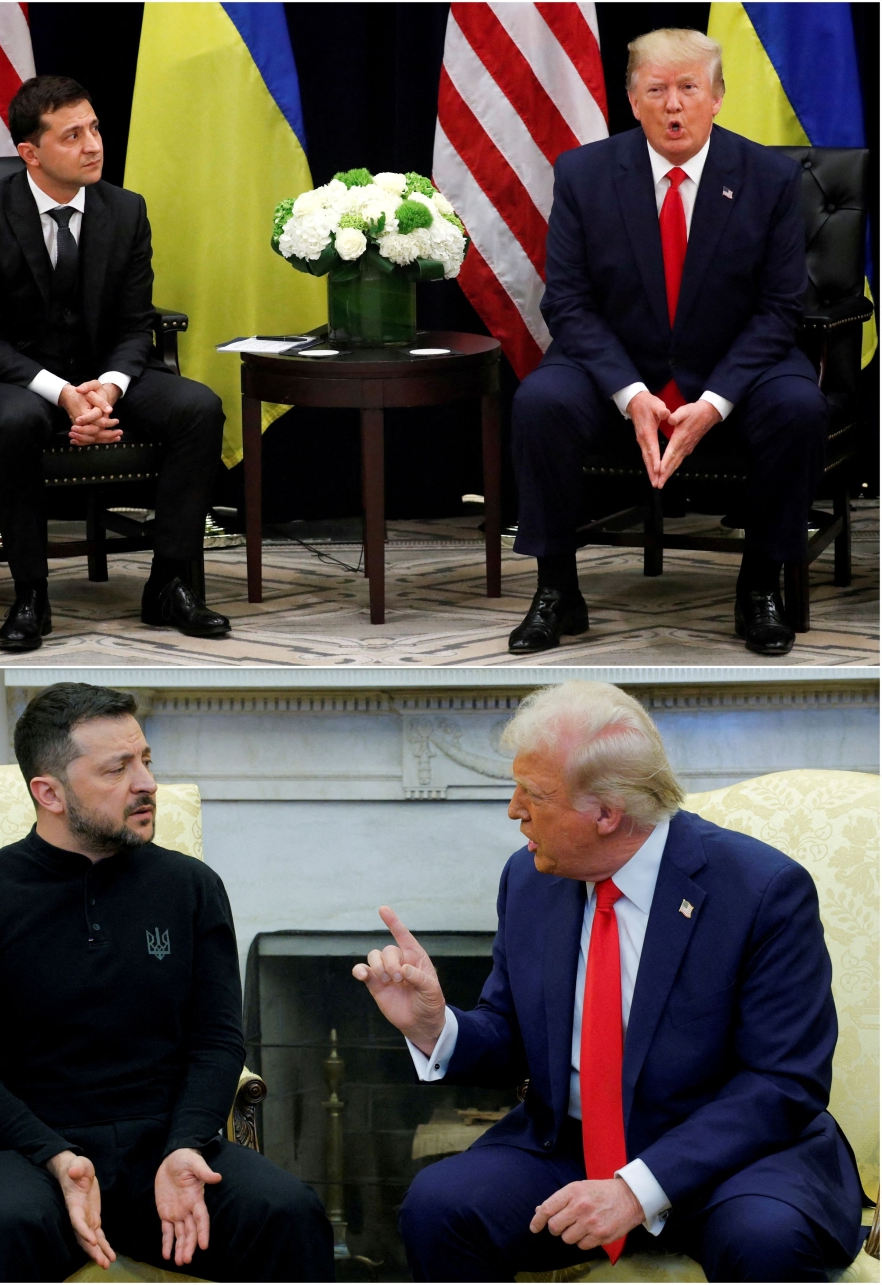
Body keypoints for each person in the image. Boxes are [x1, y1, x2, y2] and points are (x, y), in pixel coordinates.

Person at [353, 681, 864, 1282]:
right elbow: (513, 1035)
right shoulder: (531, 878)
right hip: (571, 1146)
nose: (514, 809)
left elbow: (782, 1083)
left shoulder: (761, 891)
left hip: (736, 1160)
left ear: (605, 812)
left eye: (534, 794)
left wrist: (634, 1189)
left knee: (765, 1241)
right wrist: (435, 1026)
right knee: (442, 1208)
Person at [0, 682, 333, 1283]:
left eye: (146, 761)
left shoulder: (191, 888)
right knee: (3, 1228)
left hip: (166, 1148)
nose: (147, 783)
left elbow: (216, 1042)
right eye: (118, 768)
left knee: (288, 1212)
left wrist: (186, 1144)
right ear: (49, 792)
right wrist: (57, 1157)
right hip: (33, 1156)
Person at [509, 29, 827, 658]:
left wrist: (714, 401)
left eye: (688, 88)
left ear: (717, 98)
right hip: (617, 363)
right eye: (656, 90)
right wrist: (629, 393)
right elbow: (567, 302)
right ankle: (556, 589)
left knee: (799, 409)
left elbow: (779, 309)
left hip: (737, 361)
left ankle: (760, 586)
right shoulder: (584, 173)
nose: (673, 105)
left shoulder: (768, 177)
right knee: (540, 403)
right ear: (632, 99)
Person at [0, 75, 232, 652]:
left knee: (198, 407)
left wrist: (108, 389)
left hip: (103, 373)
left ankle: (169, 584)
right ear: (31, 153)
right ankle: (30, 594)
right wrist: (63, 393)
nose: (94, 145)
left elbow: (135, 323)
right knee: (19, 421)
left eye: (95, 128)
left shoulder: (125, 210)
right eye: (72, 135)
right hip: (11, 377)